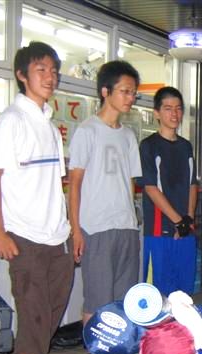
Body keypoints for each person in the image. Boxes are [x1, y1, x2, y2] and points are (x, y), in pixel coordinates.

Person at [0, 42, 74, 354]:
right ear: (22, 75)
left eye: (53, 70)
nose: (50, 77)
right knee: (33, 312)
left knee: (52, 312)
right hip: (24, 235)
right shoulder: (12, 120)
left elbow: (57, 186)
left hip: (57, 235)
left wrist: (70, 229)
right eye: (41, 69)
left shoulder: (50, 126)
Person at [68, 60, 142, 323]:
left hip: (126, 227)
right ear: (105, 91)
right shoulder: (87, 131)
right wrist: (76, 230)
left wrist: (132, 219)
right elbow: (74, 184)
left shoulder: (128, 136)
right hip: (96, 227)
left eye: (133, 93)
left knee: (124, 302)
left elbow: (130, 183)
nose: (130, 98)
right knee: (97, 301)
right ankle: (92, 349)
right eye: (125, 91)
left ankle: (118, 349)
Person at [139, 87, 199, 296]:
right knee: (157, 296)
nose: (174, 114)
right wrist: (178, 221)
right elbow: (150, 188)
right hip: (159, 233)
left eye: (178, 108)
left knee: (183, 294)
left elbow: (192, 184)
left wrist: (188, 219)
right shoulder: (148, 146)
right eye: (168, 108)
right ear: (157, 113)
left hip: (185, 230)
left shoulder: (186, 146)